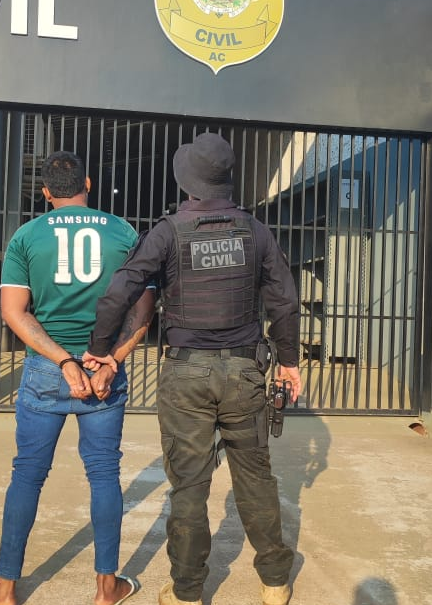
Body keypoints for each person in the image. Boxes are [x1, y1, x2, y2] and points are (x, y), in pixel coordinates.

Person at [83, 132, 303, 605]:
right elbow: (284, 302)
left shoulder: (168, 232)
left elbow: (120, 290)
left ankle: (185, 592)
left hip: (184, 376)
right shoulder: (256, 231)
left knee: (189, 486)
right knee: (255, 477)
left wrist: (100, 349)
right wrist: (289, 362)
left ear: (187, 181)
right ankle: (275, 583)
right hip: (245, 373)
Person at [0, 151, 154, 605]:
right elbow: (143, 310)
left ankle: (5, 587)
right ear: (88, 184)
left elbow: (15, 312)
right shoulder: (124, 232)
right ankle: (107, 588)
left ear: (45, 192)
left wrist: (63, 361)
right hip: (104, 368)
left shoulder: (26, 236)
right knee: (104, 474)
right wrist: (111, 359)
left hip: (47, 370)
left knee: (28, 475)